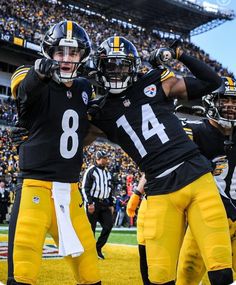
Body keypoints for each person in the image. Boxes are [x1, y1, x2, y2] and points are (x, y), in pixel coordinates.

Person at [88, 36, 234, 284]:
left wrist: (180, 54)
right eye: (109, 66)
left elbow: (212, 82)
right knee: (159, 275)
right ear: (98, 68)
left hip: (196, 176)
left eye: (121, 66)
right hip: (159, 189)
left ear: (133, 67)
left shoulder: (156, 82)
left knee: (220, 266)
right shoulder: (98, 112)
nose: (115, 72)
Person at [8, 20, 101, 285]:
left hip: (70, 193)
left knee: (90, 273)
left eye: (73, 53)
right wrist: (39, 73)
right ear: (49, 52)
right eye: (60, 52)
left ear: (82, 56)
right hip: (34, 188)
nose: (66, 58)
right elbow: (24, 90)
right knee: (22, 274)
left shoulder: (85, 87)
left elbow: (87, 126)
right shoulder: (35, 76)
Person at [176, 76, 236, 285]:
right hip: (206, 218)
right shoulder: (195, 131)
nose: (229, 106)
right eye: (224, 100)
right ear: (211, 101)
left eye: (234, 101)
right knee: (187, 274)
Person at [81, 150, 114, 259]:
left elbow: (109, 189)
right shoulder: (91, 171)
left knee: (109, 225)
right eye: (103, 158)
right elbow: (85, 188)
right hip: (93, 202)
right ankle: (89, 251)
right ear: (97, 159)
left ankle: (97, 248)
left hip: (104, 203)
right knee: (91, 228)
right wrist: (90, 203)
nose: (105, 160)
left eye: (106, 158)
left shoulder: (107, 173)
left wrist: (111, 203)